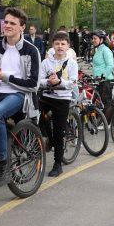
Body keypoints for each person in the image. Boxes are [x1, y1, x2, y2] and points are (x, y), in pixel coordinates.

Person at [0, 5, 41, 186]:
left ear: (22, 27)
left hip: (18, 95)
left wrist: (3, 76)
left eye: (13, 23)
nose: (8, 25)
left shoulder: (31, 50)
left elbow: (33, 84)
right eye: (6, 22)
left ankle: (1, 162)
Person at [38, 32, 78, 178]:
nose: (60, 46)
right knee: (37, 117)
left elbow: (73, 83)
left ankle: (57, 164)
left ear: (67, 46)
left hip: (63, 99)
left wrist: (60, 82)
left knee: (59, 132)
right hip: (47, 96)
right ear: (52, 46)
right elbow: (39, 80)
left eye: (63, 44)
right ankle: (51, 140)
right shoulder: (46, 62)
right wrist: (48, 81)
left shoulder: (72, 63)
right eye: (57, 43)